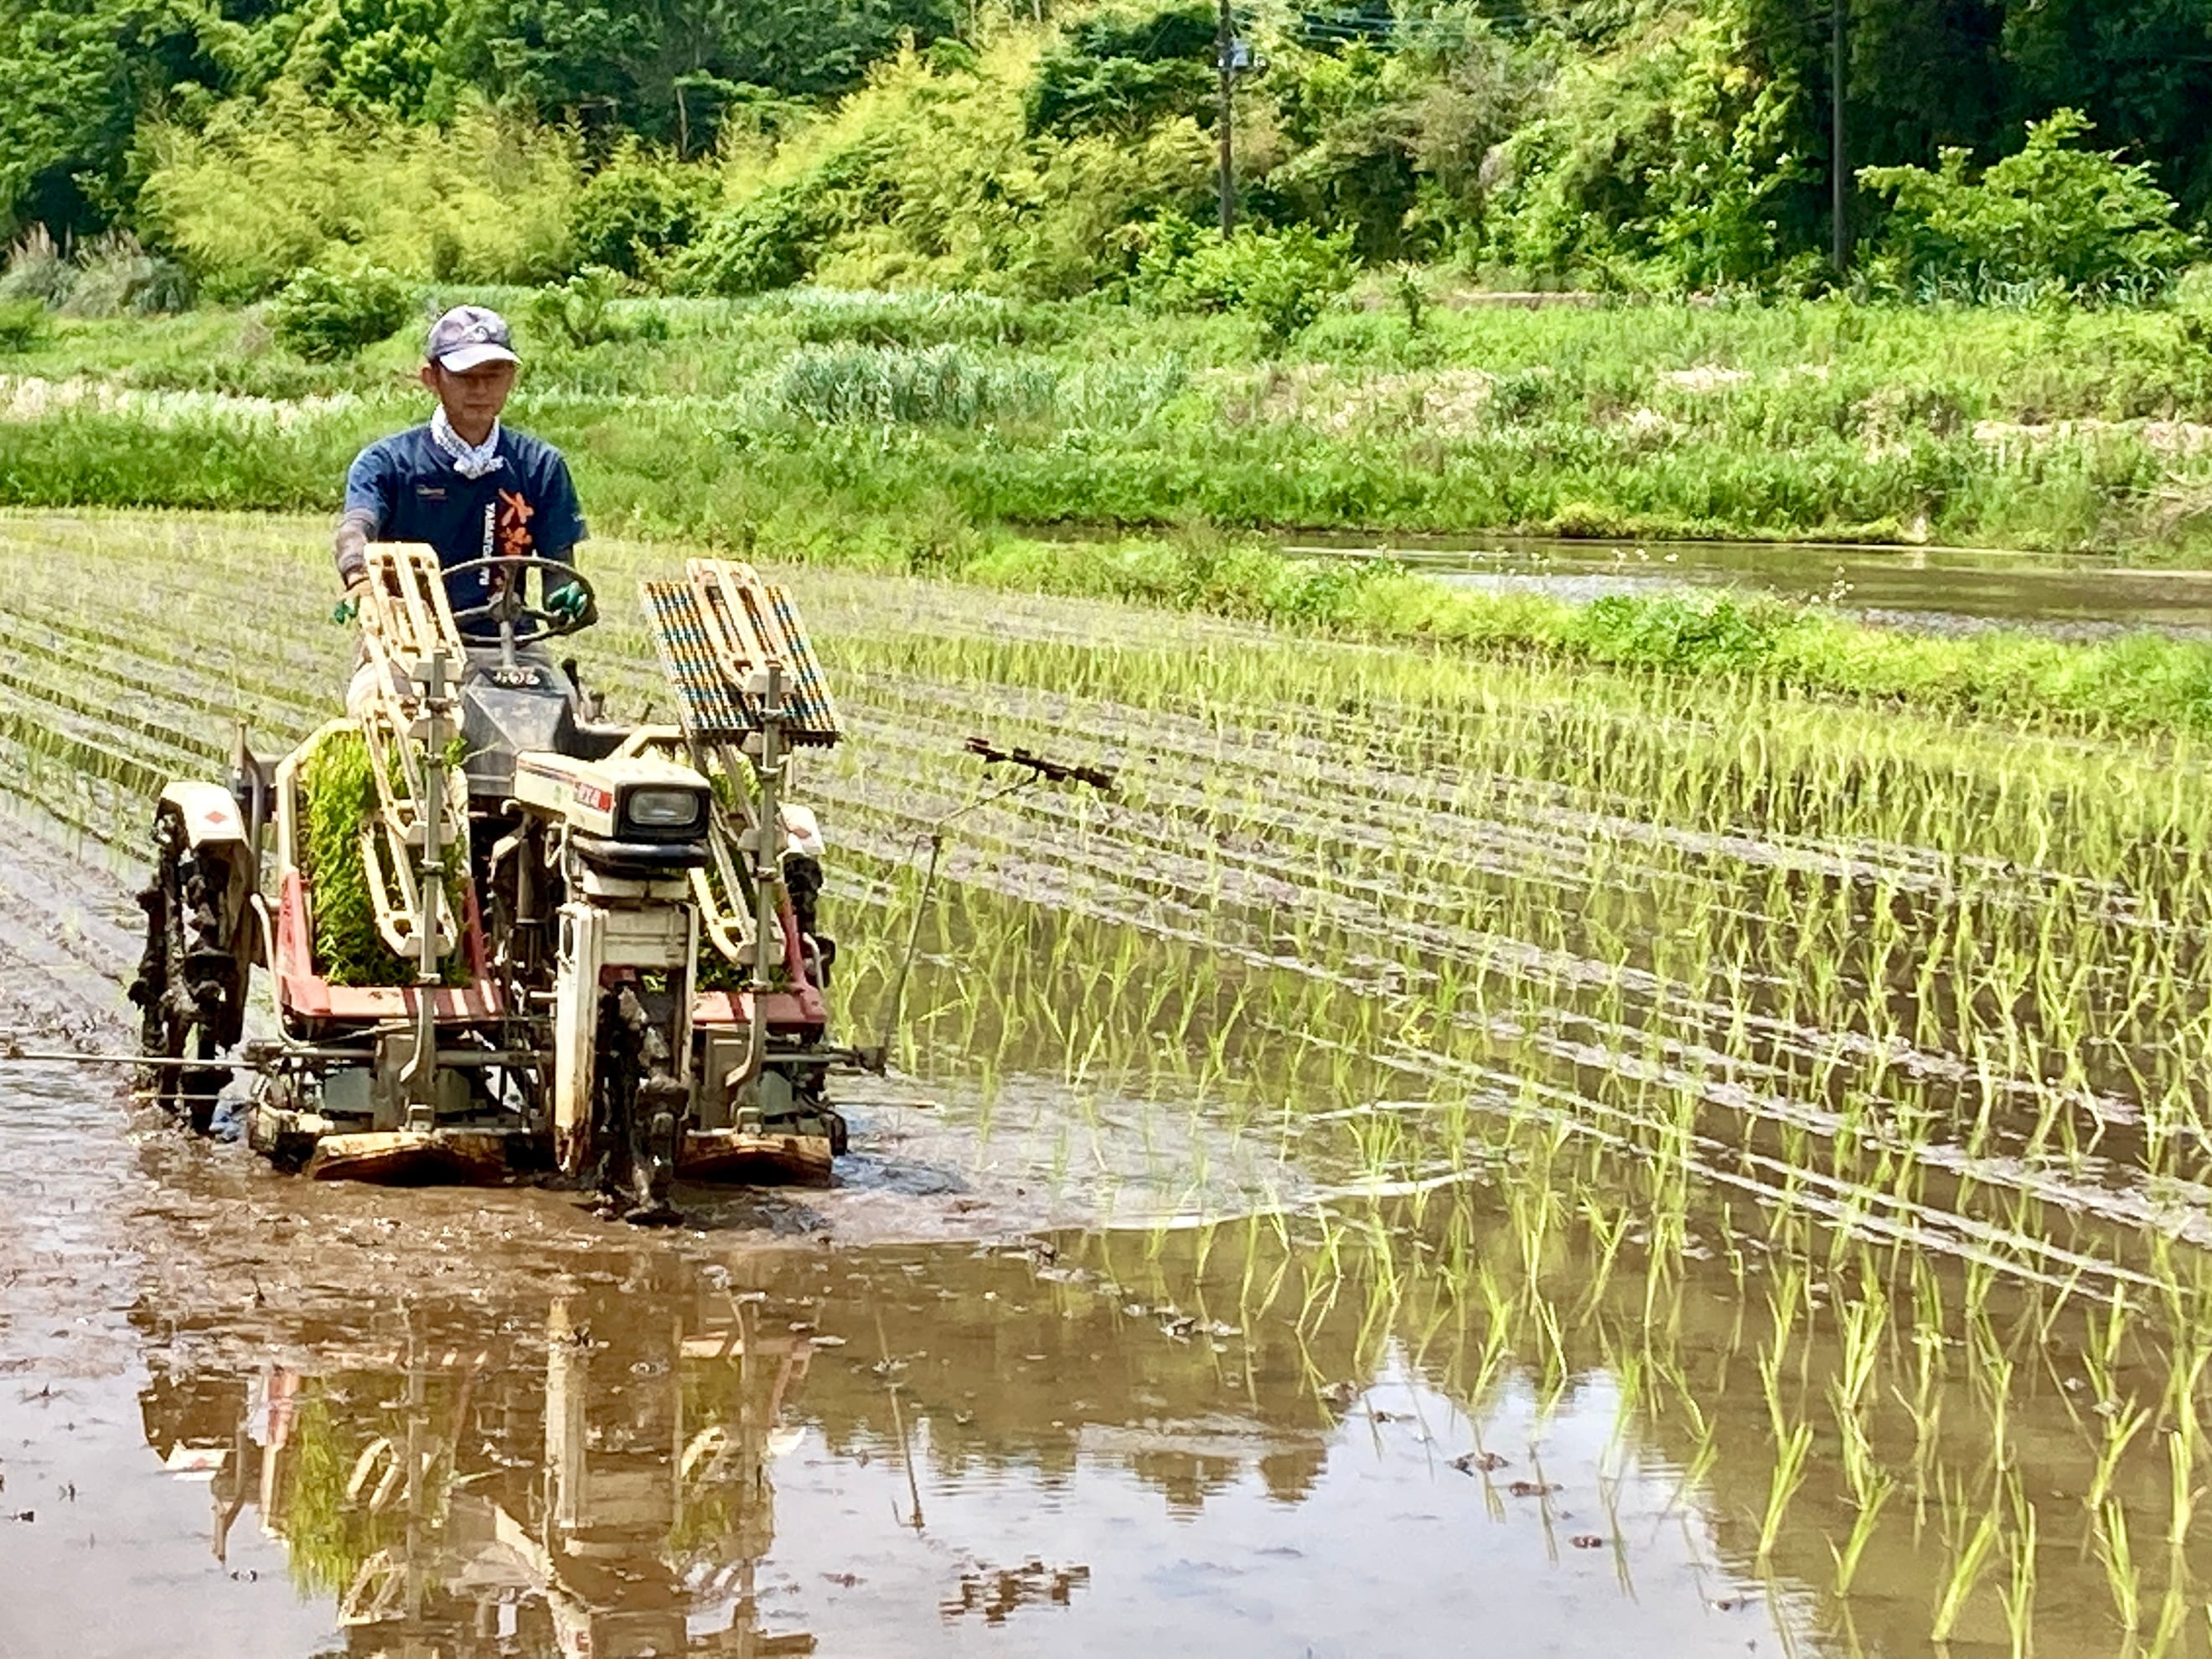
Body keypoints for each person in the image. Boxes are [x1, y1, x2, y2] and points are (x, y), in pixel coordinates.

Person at [333, 305, 591, 711]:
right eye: (466, 377)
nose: (480, 390)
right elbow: (356, 527)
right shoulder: (387, 464)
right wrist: (358, 577)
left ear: (511, 379)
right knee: (381, 709)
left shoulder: (540, 466)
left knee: (566, 717)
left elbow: (559, 568)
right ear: (431, 378)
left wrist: (567, 595)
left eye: (493, 376)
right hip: (410, 646)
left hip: (512, 646)